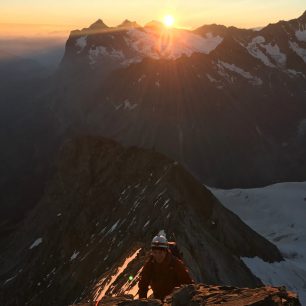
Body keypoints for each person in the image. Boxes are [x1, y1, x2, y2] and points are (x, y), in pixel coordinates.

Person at [138, 235, 193, 301]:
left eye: (160, 252)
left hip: (175, 301)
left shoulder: (175, 264)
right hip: (159, 300)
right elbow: (143, 285)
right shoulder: (150, 265)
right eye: (155, 252)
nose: (157, 255)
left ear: (165, 251)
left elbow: (188, 283)